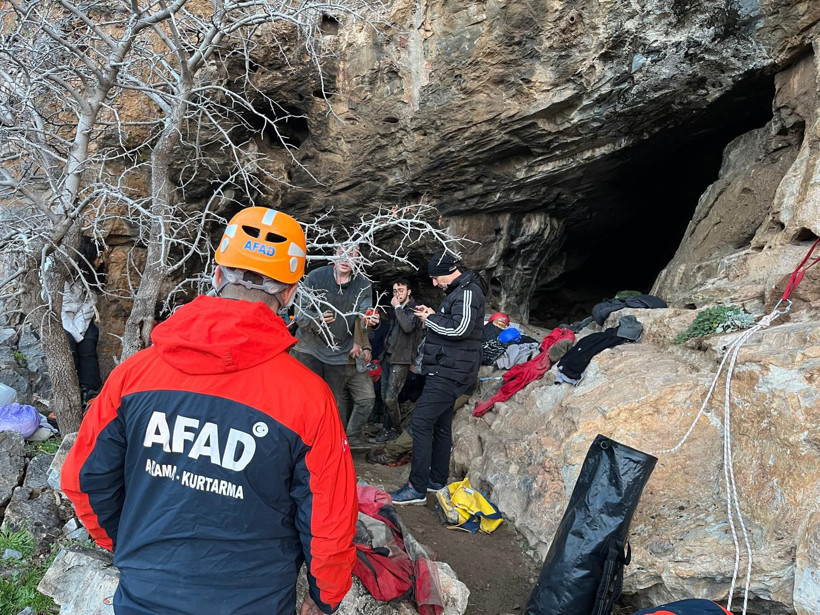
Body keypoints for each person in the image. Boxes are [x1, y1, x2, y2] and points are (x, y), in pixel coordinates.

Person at [61, 208, 358, 615]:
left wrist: (129, 546)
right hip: (253, 601)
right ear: (290, 293)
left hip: (145, 593)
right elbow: (329, 518)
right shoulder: (310, 398)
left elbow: (84, 479)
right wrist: (325, 597)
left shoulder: (134, 374)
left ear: (217, 276)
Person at [389, 252, 486, 504]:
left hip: (449, 371)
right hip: (450, 368)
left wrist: (430, 319)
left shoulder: (467, 292)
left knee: (420, 423)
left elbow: (460, 328)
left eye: (435, 278)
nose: (434, 283)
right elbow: (455, 321)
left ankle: (416, 488)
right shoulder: (461, 290)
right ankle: (435, 480)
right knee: (441, 425)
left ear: (448, 271)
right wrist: (432, 313)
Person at [293, 245, 373, 410]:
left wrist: (371, 320)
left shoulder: (363, 284)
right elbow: (299, 314)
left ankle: (323, 435)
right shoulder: (316, 276)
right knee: (301, 398)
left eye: (352, 255)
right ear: (334, 254)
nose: (346, 258)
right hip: (309, 348)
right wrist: (317, 319)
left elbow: (364, 315)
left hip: (339, 354)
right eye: (342, 253)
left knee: (329, 403)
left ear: (358, 260)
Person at [369, 279, 422, 444]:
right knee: (385, 396)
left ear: (409, 291)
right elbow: (391, 332)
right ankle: (386, 430)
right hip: (389, 357)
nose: (397, 294)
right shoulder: (396, 310)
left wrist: (398, 307)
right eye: (394, 291)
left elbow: (407, 327)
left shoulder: (415, 310)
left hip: (402, 360)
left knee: (391, 398)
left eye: (401, 290)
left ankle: (397, 430)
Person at [62, 235, 106, 407]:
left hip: (81, 321)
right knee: (68, 343)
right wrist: (74, 333)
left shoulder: (92, 276)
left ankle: (90, 391)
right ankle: (70, 394)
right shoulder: (61, 275)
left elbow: (89, 306)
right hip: (61, 320)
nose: (101, 261)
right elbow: (59, 309)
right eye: (98, 256)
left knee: (89, 340)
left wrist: (79, 332)